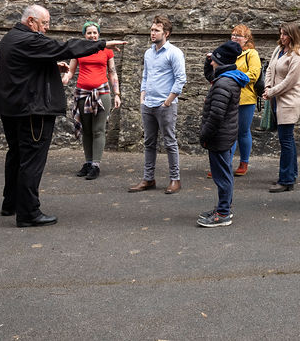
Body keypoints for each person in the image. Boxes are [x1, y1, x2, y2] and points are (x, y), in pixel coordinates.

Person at [0, 4, 126, 228]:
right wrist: (100, 44)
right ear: (31, 21)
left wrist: (53, 67)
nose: (46, 28)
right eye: (44, 24)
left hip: (13, 109)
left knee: (16, 156)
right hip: (32, 111)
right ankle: (28, 213)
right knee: (31, 161)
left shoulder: (11, 38)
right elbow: (64, 47)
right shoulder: (28, 39)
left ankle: (12, 203)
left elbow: (25, 67)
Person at [129, 16, 186, 194]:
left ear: (166, 33)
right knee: (149, 143)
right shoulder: (148, 53)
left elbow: (180, 79)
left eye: (156, 30)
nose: (152, 33)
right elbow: (145, 76)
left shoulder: (174, 53)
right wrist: (142, 97)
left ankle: (175, 179)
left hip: (165, 106)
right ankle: (148, 178)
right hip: (148, 104)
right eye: (152, 29)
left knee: (170, 142)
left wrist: (168, 101)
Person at [198, 40, 249, 227]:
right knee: (225, 172)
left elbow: (216, 116)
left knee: (222, 176)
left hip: (219, 136)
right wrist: (209, 60)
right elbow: (211, 75)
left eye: (214, 59)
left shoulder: (223, 84)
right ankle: (223, 207)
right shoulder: (229, 78)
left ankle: (223, 214)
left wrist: (204, 135)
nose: (211, 62)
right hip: (226, 135)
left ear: (221, 61)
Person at [61, 20, 121, 180]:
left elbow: (112, 73)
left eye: (95, 32)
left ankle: (96, 165)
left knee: (98, 129)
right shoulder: (79, 50)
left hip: (102, 93)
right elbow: (71, 71)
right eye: (89, 33)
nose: (92, 35)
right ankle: (88, 163)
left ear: (99, 35)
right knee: (86, 130)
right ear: (84, 35)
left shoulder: (107, 51)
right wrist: (65, 78)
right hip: (82, 93)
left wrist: (117, 94)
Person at [262, 22, 300, 192]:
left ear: (293, 35)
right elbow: (270, 69)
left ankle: (286, 179)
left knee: (285, 140)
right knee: (287, 139)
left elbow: (290, 82)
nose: (282, 37)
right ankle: (291, 174)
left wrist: (271, 92)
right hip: (276, 99)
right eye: (281, 33)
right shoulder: (279, 49)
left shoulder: (298, 55)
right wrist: (266, 88)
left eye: (285, 34)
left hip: (289, 101)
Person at [229, 24, 261, 176]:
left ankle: (244, 163)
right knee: (229, 131)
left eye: (238, 35)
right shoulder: (229, 52)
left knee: (242, 131)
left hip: (246, 98)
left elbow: (254, 74)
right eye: (233, 35)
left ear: (247, 38)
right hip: (228, 97)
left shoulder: (251, 54)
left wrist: (234, 77)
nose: (234, 38)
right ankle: (225, 164)